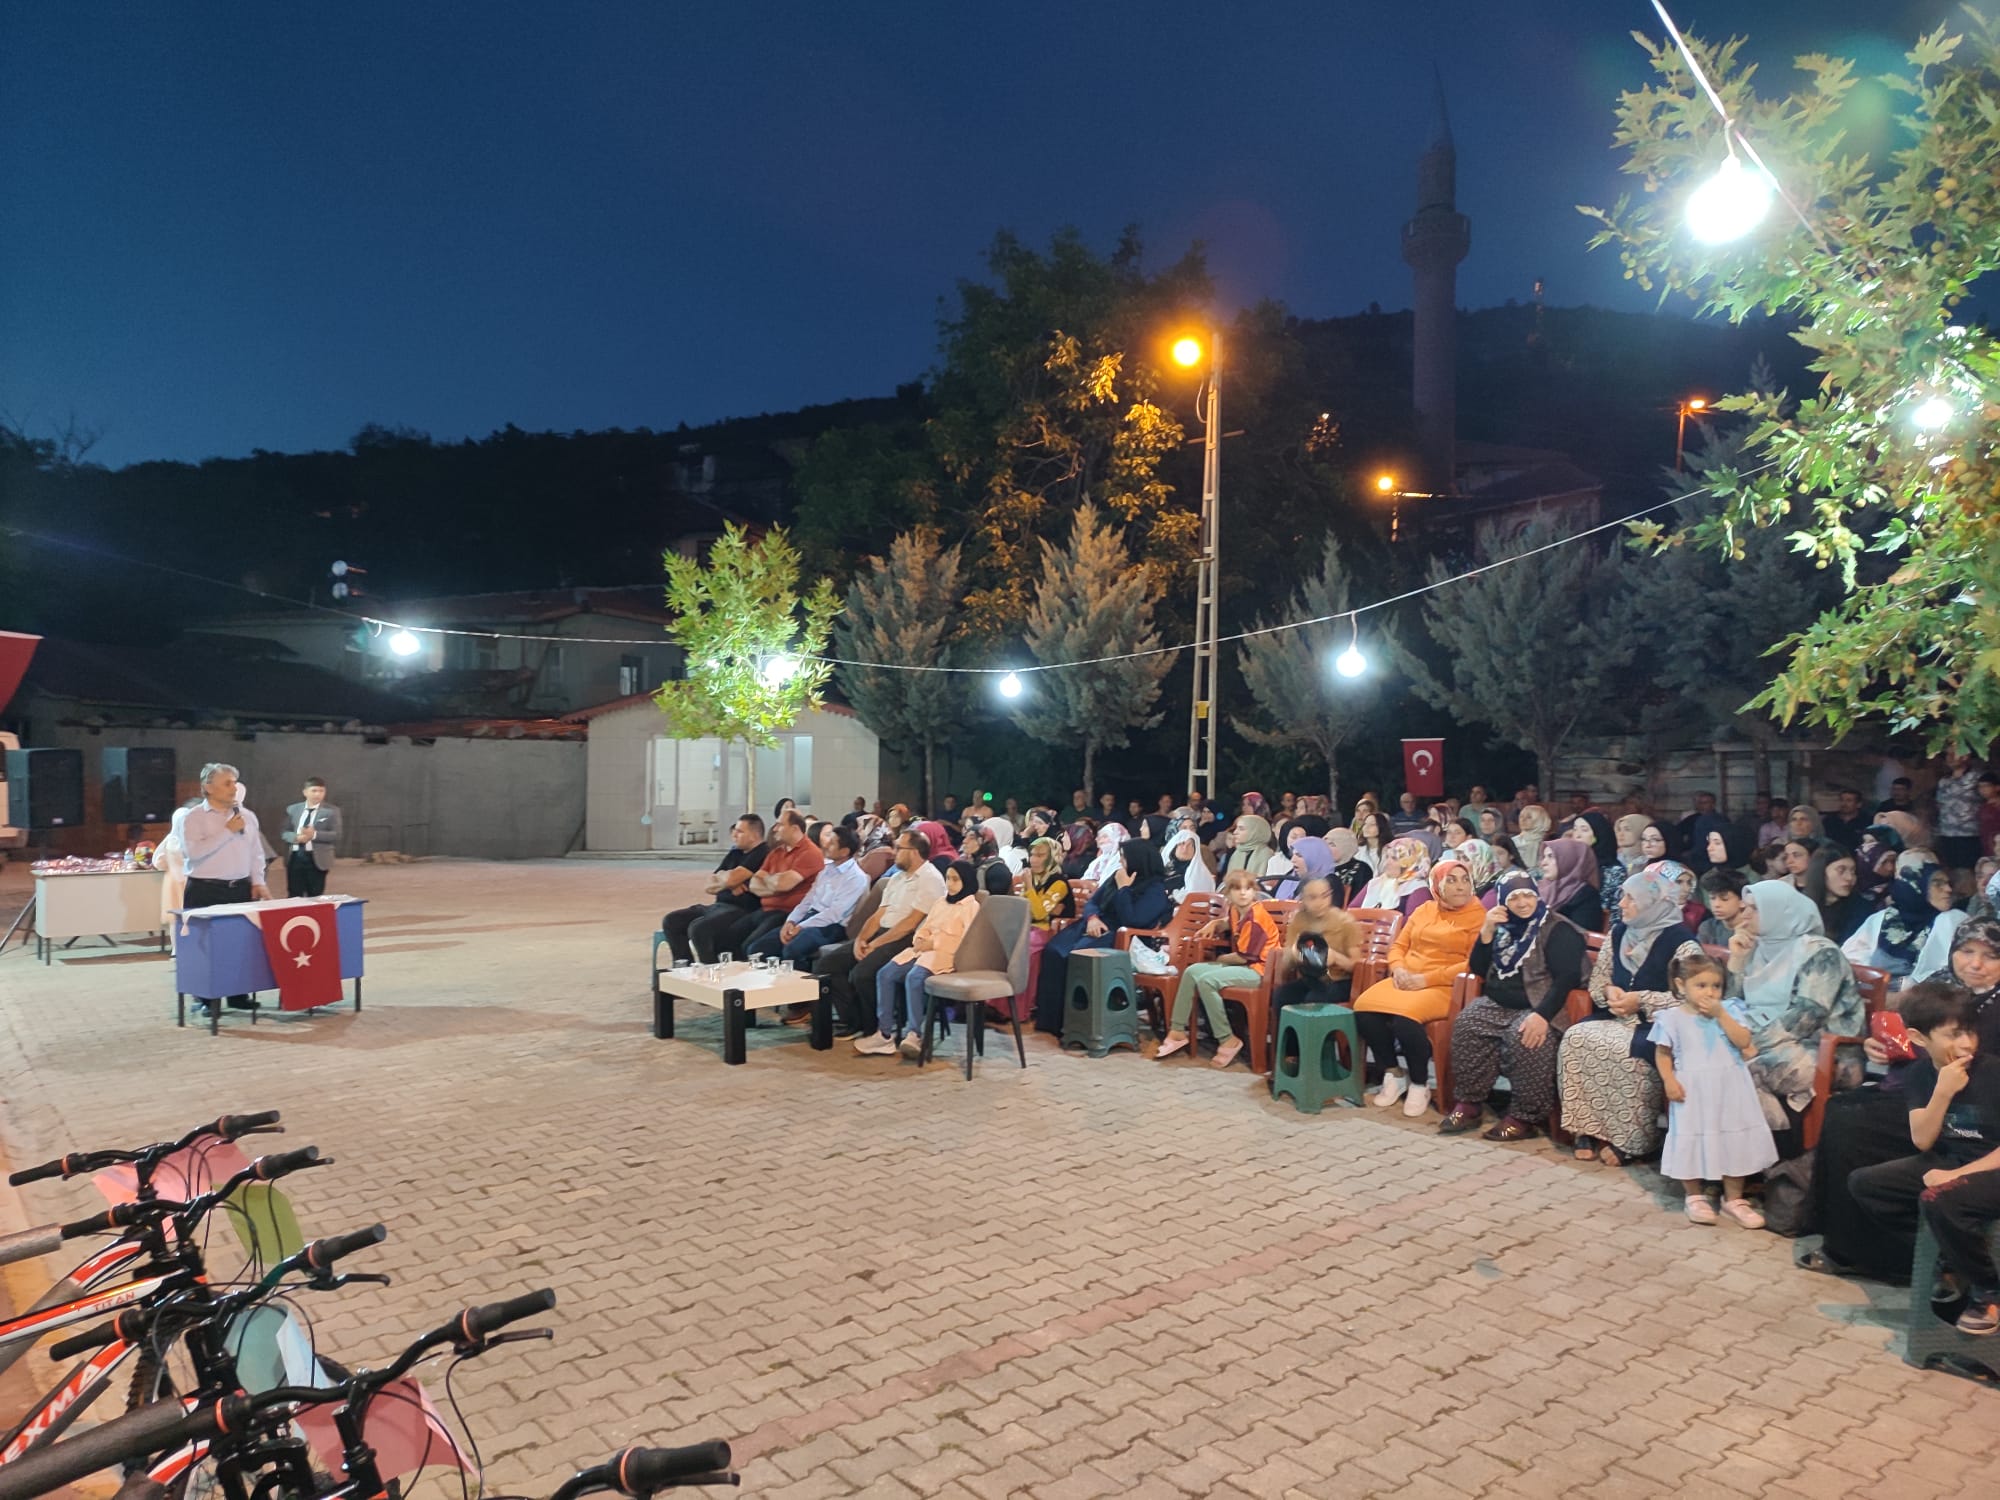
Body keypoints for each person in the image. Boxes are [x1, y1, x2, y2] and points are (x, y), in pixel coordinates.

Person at [1801, 925, 2000, 1282]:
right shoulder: (1943, 985)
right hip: (1920, 1084)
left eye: (1990, 956)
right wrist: (1878, 1046)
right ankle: (1843, 1240)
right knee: (1842, 1109)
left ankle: (1878, 1255)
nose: (1976, 964)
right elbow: (1914, 1037)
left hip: (1974, 1106)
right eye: (1966, 952)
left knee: (1854, 1125)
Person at [1848, 980, 2000, 1334]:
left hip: (1991, 1167)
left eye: (1969, 1033)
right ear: (1919, 1038)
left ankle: (1988, 1294)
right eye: (1952, 1035)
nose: (1966, 1044)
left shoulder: (1993, 1071)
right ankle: (1947, 1261)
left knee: (1939, 1199)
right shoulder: (1920, 1073)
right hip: (1954, 1161)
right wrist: (1943, 1092)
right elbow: (1922, 1139)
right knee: (1867, 1184)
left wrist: (1953, 1177)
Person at [1559, 863, 1704, 1165]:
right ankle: (1585, 1128)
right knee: (1576, 1038)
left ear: (1652, 903)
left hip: (1657, 1025)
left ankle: (1633, 1141)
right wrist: (1609, 992)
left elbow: (1691, 998)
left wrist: (1641, 1000)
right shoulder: (1620, 933)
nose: (1621, 904)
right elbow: (1600, 980)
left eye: (1630, 898)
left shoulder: (1682, 943)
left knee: (1629, 1054)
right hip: (1615, 1016)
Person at [1440, 869, 1590, 1141]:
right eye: (1514, 897)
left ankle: (1524, 1117)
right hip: (1498, 1004)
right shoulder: (1502, 926)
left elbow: (1567, 978)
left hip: (1540, 1005)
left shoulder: (1557, 928)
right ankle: (1470, 1104)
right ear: (1503, 901)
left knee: (1525, 1037)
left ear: (1537, 896)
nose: (1522, 903)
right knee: (1467, 1024)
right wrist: (1486, 931)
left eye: (1527, 895)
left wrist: (1542, 1016)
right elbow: (1478, 968)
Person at [1726, 880, 1866, 1139]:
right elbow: (1733, 1003)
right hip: (1771, 1040)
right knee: (1708, 1058)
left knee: (1733, 1069)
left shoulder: (1820, 953)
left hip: (1825, 1050)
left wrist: (1746, 1043)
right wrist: (1737, 960)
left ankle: (1777, 1152)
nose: (1743, 915)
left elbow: (1806, 1017)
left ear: (1779, 911)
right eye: (1744, 908)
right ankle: (1739, 1157)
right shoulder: (1758, 946)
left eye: (1753, 909)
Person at [1652, 951, 1779, 1227]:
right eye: (1701, 986)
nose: (1710, 992)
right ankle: (1694, 1196)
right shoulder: (1671, 1019)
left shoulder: (1730, 1010)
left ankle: (1733, 1198)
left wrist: (1722, 1014)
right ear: (1680, 985)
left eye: (1716, 986)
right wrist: (1669, 1080)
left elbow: (1744, 1040)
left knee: (1734, 1140)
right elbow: (1663, 1053)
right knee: (1692, 1136)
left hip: (1731, 1087)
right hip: (1692, 1089)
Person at [1353, 857, 1487, 1118]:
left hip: (1444, 985)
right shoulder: (1425, 909)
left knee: (1405, 1020)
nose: (1460, 887)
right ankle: (1394, 1072)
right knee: (1364, 1010)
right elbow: (1399, 947)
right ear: (1437, 884)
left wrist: (1426, 980)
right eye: (1451, 880)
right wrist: (1399, 968)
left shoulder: (1478, 916)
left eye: (1465, 880)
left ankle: (1419, 1083)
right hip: (1406, 977)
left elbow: (1472, 964)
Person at [1034, 840, 1174, 1033]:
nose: (1121, 862)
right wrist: (1092, 917)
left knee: (1076, 956)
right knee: (1053, 951)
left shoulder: (1155, 890)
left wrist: (1124, 889)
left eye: (1125, 857)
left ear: (1139, 860)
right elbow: (1094, 902)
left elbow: (1133, 920)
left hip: (1121, 935)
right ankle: (1051, 1020)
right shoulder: (1117, 877)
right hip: (1095, 925)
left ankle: (1077, 1022)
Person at [820, 830, 945, 1038]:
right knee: (828, 965)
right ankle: (853, 1020)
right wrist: (861, 939)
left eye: (898, 848)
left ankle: (873, 1028)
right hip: (883, 933)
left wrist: (875, 944)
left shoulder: (930, 878)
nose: (893, 853)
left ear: (914, 852)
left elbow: (910, 923)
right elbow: (878, 915)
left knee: (863, 973)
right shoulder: (897, 878)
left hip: (908, 939)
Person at [1156, 870, 1283, 1069]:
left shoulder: (1256, 917)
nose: (1243, 893)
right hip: (1245, 965)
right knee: (1191, 972)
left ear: (1254, 892)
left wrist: (1221, 958)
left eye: (1248, 889)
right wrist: (1216, 923)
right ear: (1229, 893)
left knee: (1207, 981)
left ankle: (1227, 1039)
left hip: (1259, 970)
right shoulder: (1235, 910)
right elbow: (1228, 923)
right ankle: (1177, 1030)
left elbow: (1244, 957)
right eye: (1237, 889)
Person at [858, 860, 982, 1058]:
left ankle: (914, 1033)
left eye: (955, 879)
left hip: (945, 955)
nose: (950, 884)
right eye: (948, 878)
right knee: (885, 974)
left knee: (914, 977)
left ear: (966, 881)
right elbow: (924, 927)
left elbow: (966, 940)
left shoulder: (971, 906)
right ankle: (885, 1034)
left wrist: (933, 944)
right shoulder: (941, 902)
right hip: (921, 950)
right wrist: (921, 939)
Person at [176, 763, 272, 1015]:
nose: (234, 788)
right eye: (227, 783)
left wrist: (258, 881)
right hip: (206, 889)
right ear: (208, 787)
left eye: (235, 783)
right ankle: (207, 998)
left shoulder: (247, 816)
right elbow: (192, 854)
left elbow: (255, 853)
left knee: (241, 944)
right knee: (207, 947)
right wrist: (226, 832)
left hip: (239, 889)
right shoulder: (194, 817)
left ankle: (238, 994)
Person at [747, 824, 867, 971]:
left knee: (792, 950)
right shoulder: (827, 869)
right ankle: (769, 988)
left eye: (832, 843)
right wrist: (791, 921)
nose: (826, 844)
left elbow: (834, 914)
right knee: (758, 948)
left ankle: (800, 990)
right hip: (809, 918)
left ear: (844, 852)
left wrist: (801, 927)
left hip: (830, 926)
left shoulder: (855, 877)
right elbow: (808, 900)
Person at [663, 815, 768, 963]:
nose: (734, 835)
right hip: (718, 905)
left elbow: (731, 879)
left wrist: (725, 879)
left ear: (754, 835)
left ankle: (711, 971)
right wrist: (729, 881)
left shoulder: (762, 852)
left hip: (740, 908)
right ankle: (684, 968)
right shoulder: (735, 853)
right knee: (672, 920)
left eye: (739, 831)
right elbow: (709, 885)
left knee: (699, 929)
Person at [1845, 853, 1955, 979]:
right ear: (1914, 886)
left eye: (1948, 883)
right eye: (1937, 883)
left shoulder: (1951, 921)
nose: (1948, 889)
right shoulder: (1882, 919)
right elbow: (1849, 960)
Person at [1270, 877, 1362, 1022]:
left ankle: (1319, 1044)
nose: (1320, 903)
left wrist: (1336, 958)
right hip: (1311, 979)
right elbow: (1286, 965)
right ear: (1303, 900)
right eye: (1312, 898)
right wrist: (1293, 954)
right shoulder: (1299, 920)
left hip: (1339, 981)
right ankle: (1291, 1044)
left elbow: (1357, 966)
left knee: (1312, 1001)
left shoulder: (1345, 922)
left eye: (1325, 896)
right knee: (1282, 996)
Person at [280, 778, 340, 898]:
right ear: (305, 792)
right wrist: (296, 838)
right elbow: (284, 832)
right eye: (314, 791)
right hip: (295, 858)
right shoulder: (293, 809)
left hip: (317, 860)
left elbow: (336, 834)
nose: (318, 794)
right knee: (294, 895)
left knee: (315, 895)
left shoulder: (331, 811)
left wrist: (314, 835)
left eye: (321, 791)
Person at [1350, 837, 1433, 919]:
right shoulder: (1375, 883)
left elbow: (1412, 924)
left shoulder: (1418, 889)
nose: (1387, 862)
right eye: (1387, 857)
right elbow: (1351, 911)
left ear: (1410, 863)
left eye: (1394, 858)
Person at [1803, 846, 1870, 945]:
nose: (1849, 877)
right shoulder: (1801, 906)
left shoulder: (1862, 909)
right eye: (1841, 870)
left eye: (1853, 871)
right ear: (1820, 872)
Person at [1538, 839, 1605, 934]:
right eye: (1544, 857)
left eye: (1551, 857)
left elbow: (1582, 936)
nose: (1543, 863)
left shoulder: (1586, 894)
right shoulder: (1541, 887)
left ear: (1569, 859)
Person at [1566, 811, 1623, 913]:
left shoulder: (1613, 870)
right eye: (1575, 829)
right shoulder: (1571, 864)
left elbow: (1615, 910)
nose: (1577, 835)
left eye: (1584, 830)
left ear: (1598, 834)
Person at [1161, 810, 1218, 901]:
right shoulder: (1164, 864)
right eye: (1184, 828)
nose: (1189, 832)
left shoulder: (1200, 868)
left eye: (1192, 828)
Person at [1266, 836, 1335, 902]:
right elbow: (1270, 898)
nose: (1293, 860)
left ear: (1314, 857)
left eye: (1299, 855)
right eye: (1293, 855)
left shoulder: (1330, 882)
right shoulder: (1291, 875)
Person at [1324, 828, 1372, 906]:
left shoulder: (1362, 869)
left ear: (1345, 847)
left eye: (1332, 844)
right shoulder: (1320, 867)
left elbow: (1357, 903)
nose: (1326, 849)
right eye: (1325, 844)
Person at [1822, 788, 1871, 853]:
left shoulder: (1867, 821)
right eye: (1841, 800)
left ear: (1859, 804)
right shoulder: (1829, 820)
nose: (1844, 804)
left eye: (1849, 801)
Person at [1513, 805, 1552, 873]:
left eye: (1529, 817)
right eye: (1521, 816)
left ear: (1540, 820)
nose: (1523, 820)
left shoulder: (1548, 843)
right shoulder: (1513, 842)